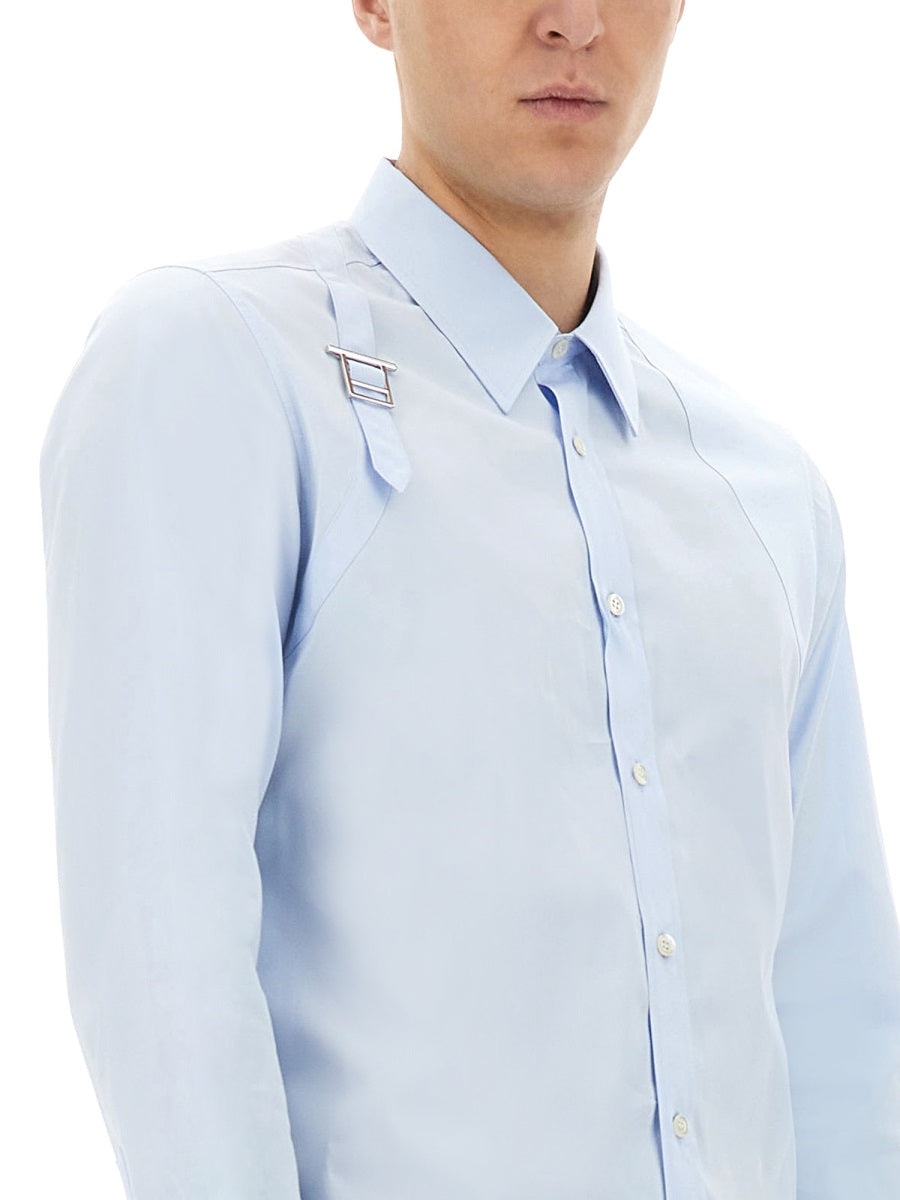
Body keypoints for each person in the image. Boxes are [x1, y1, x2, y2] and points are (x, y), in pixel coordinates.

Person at [38, 2, 900, 1198]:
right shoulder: (225, 363)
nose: (575, 22)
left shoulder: (764, 489)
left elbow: (837, 1017)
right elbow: (162, 964)